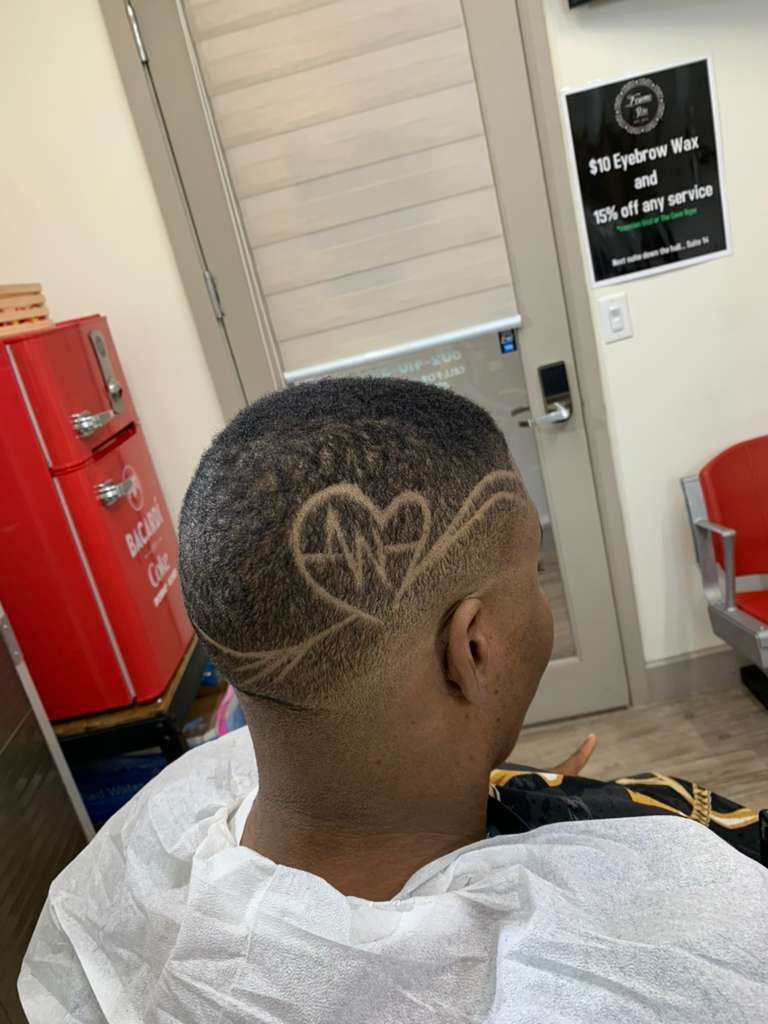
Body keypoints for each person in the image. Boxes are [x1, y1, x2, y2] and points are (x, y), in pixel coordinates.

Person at [20, 378, 768, 1022]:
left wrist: (532, 815)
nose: (541, 605)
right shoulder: (664, 954)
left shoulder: (166, 830)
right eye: (534, 575)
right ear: (472, 650)